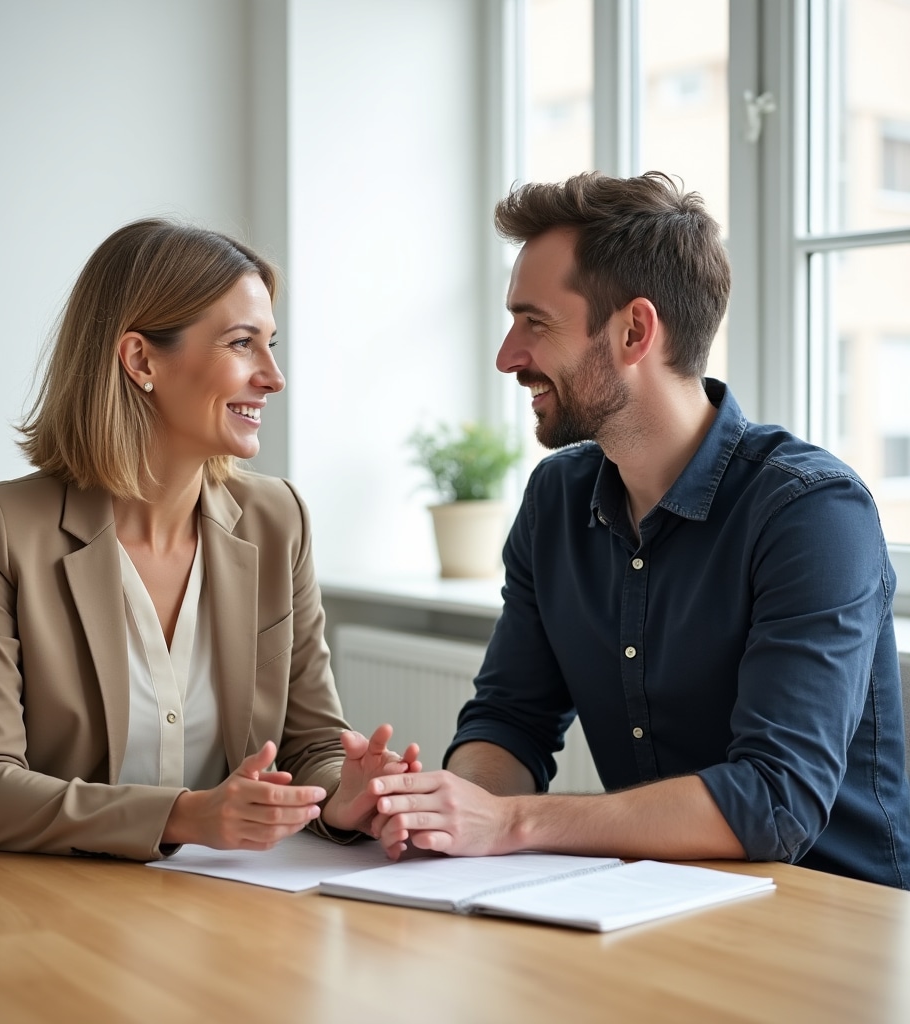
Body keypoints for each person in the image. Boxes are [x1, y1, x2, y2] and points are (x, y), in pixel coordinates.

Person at [370, 170, 910, 888]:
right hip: (645, 898)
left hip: (828, 917)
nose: (507, 355)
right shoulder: (557, 500)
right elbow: (509, 720)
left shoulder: (811, 512)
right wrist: (449, 809)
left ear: (633, 331)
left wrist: (512, 824)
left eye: (535, 322)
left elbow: (775, 803)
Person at [0, 218, 418, 859]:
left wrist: (340, 796)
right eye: (241, 344)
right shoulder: (3, 529)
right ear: (141, 359)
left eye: (271, 344)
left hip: (203, 905)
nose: (273, 377)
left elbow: (310, 743)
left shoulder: (276, 518)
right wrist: (185, 815)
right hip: (18, 905)